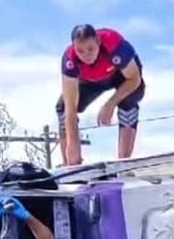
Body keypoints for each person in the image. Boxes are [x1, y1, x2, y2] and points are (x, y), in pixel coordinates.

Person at [58, 24, 145, 166]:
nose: (86, 55)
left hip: (123, 76)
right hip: (90, 81)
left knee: (128, 101)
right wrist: (73, 159)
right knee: (63, 108)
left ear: (98, 41)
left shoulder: (114, 44)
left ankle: (124, 163)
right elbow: (70, 108)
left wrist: (110, 104)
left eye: (90, 49)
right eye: (80, 51)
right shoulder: (69, 60)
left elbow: (134, 79)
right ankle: (70, 163)